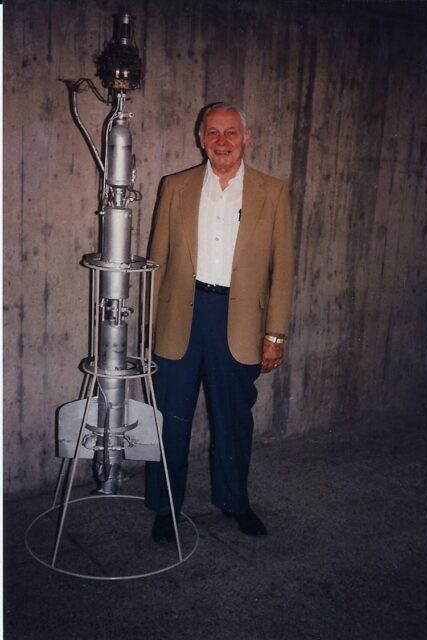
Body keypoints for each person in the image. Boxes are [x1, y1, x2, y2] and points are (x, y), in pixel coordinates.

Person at [146, 102, 294, 541]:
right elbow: (157, 261)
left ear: (247, 139)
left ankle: (235, 502)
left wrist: (275, 334)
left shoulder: (273, 192)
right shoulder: (175, 187)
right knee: (170, 417)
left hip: (240, 320)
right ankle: (165, 507)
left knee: (233, 420)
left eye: (232, 133)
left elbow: (282, 269)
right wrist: (148, 324)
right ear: (200, 138)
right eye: (213, 133)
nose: (223, 141)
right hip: (180, 318)